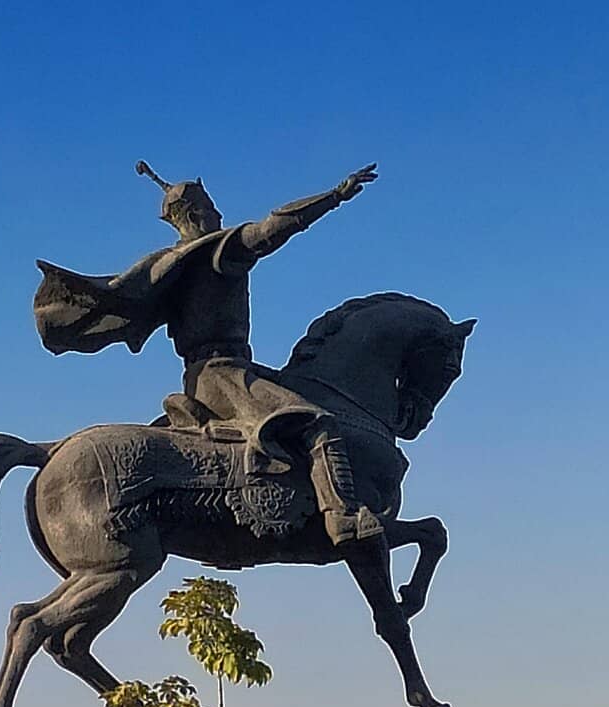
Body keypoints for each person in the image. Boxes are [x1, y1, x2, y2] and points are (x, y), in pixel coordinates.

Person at [34, 161, 384, 544]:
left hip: (198, 379)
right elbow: (273, 228)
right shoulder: (219, 250)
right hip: (227, 376)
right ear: (198, 213)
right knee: (317, 422)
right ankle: (343, 515)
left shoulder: (165, 267)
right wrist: (334, 196)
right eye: (214, 208)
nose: (219, 214)